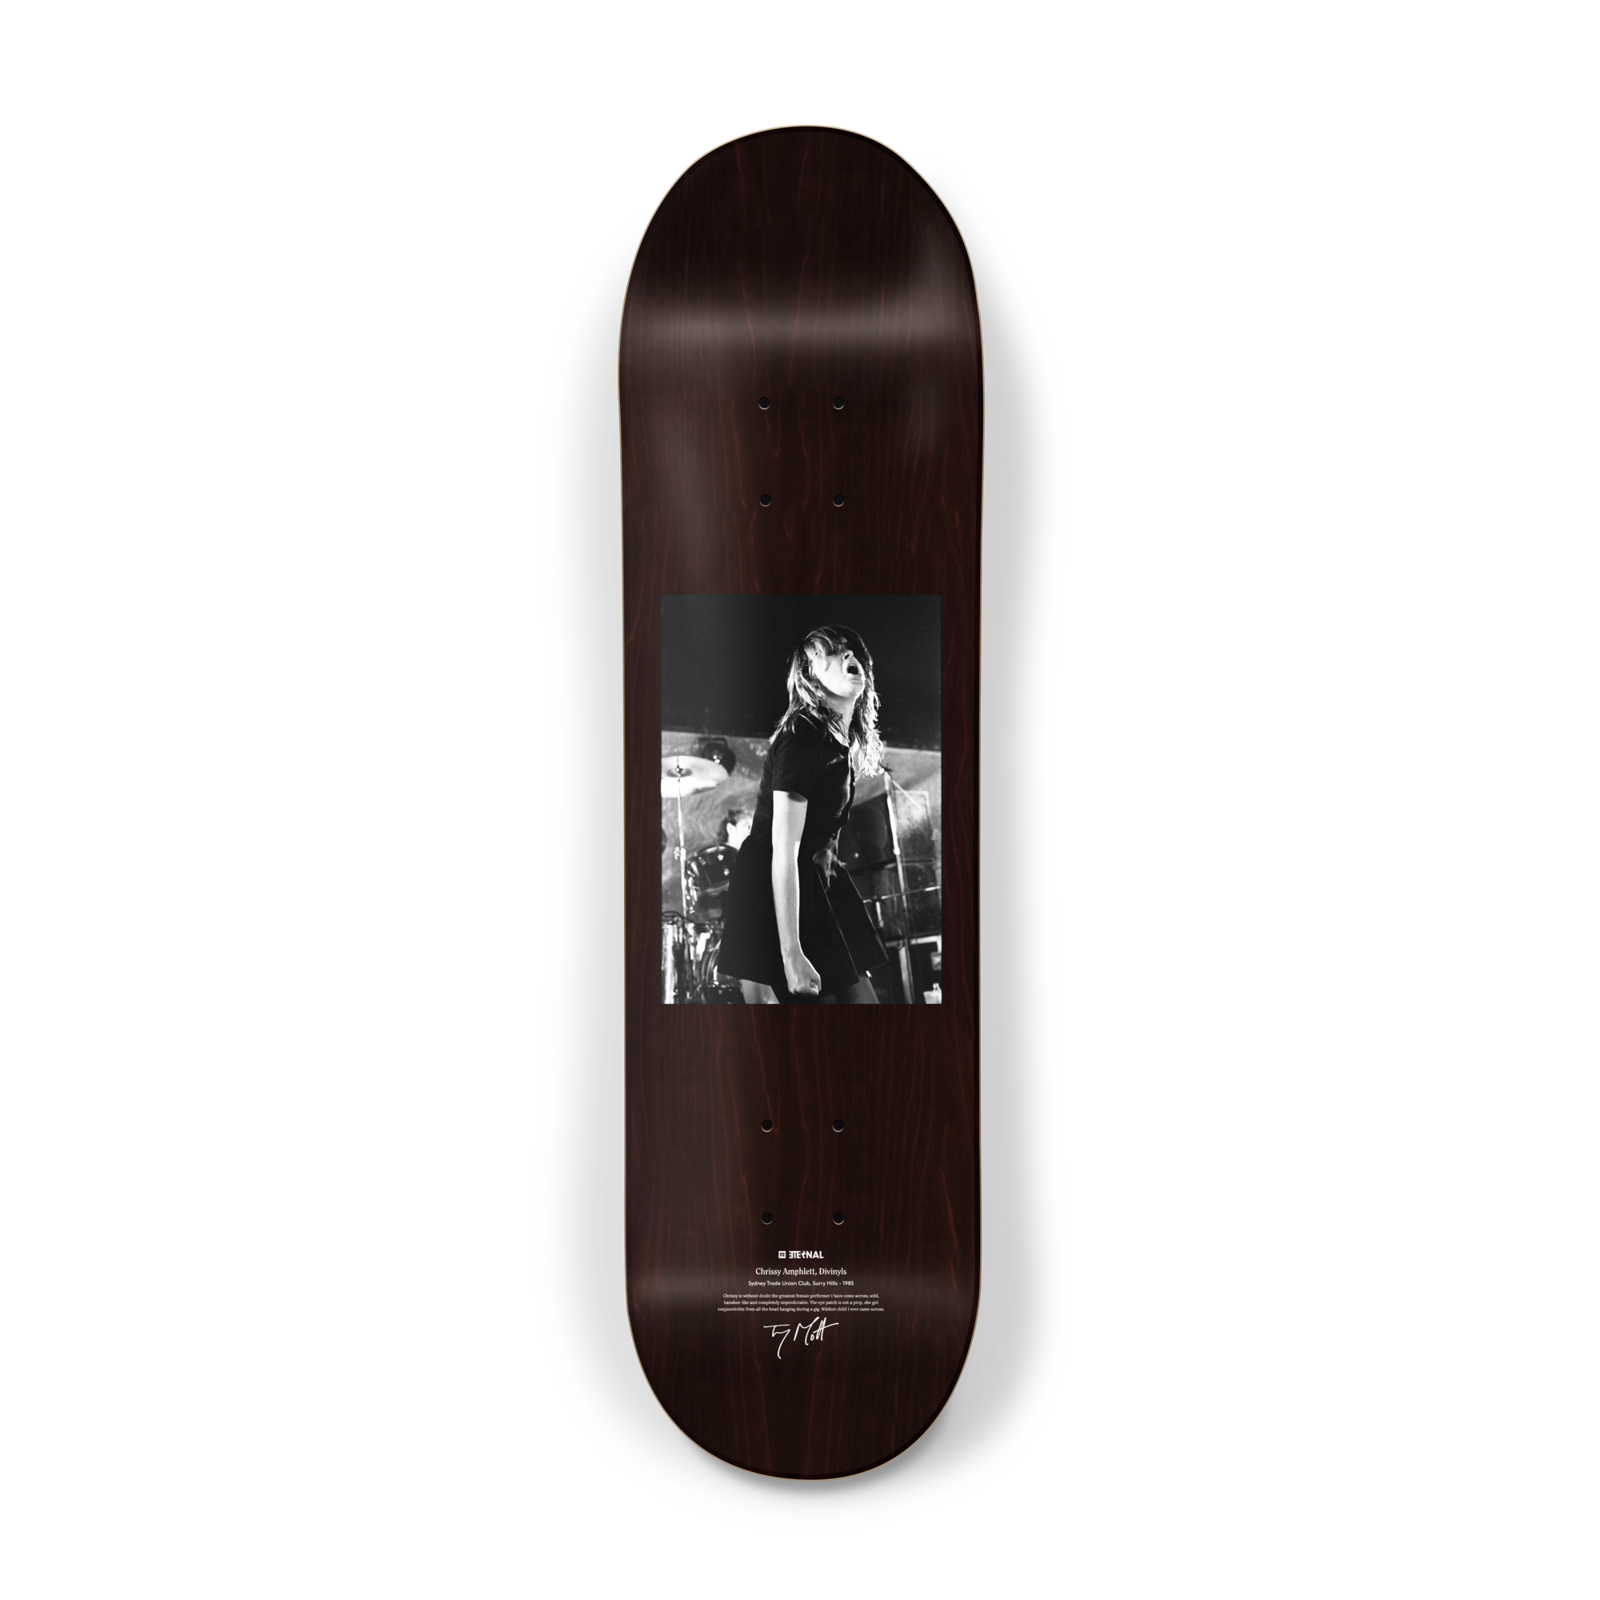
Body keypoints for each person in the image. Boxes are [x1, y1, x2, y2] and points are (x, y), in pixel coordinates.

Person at [717, 626, 889, 1004]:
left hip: (817, 878)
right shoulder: (803, 736)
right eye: (832, 651)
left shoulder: (837, 741)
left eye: (849, 649)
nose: (847, 655)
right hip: (777, 885)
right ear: (810, 677)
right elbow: (784, 850)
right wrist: (791, 953)